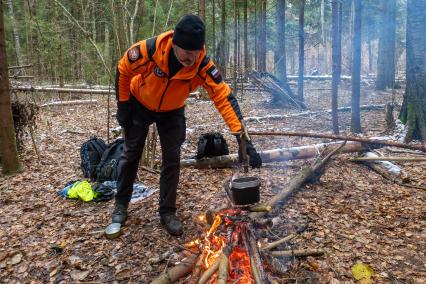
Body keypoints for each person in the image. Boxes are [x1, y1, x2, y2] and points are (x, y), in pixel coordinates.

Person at [112, 14, 262, 236]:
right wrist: (123, 105)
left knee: (171, 159)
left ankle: (167, 213)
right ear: (175, 44)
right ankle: (121, 205)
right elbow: (123, 70)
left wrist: (242, 138)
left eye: (196, 52)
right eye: (187, 53)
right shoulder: (149, 50)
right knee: (131, 152)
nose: (191, 58)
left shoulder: (202, 64)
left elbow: (223, 98)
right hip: (140, 103)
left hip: (172, 111)